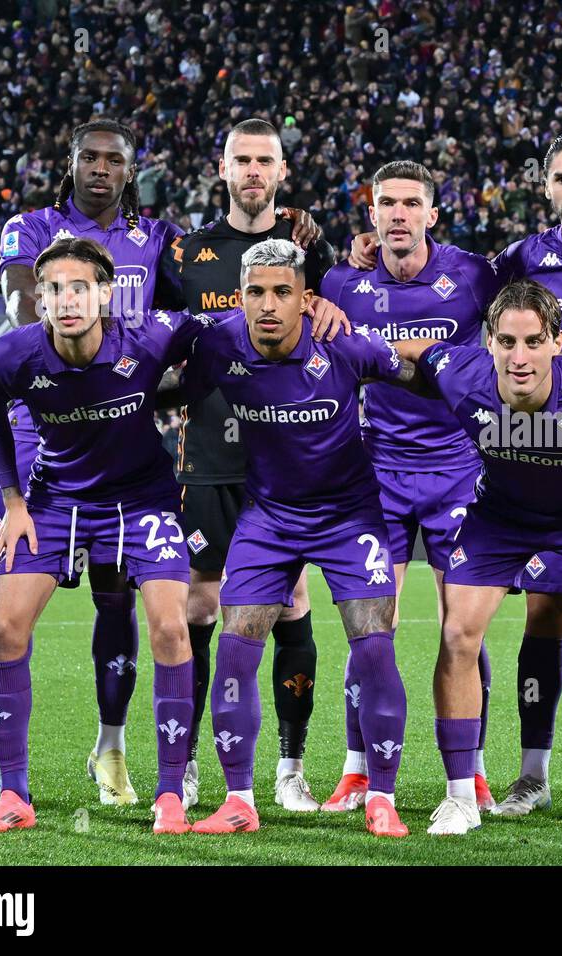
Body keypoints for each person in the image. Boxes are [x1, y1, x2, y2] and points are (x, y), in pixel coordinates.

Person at [351, 131, 562, 819]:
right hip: (535, 445)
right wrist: (375, 260)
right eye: (561, 179)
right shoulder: (516, 261)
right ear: (545, 187)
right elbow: (446, 315)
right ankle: (532, 773)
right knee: (546, 612)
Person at [392, 280, 562, 839]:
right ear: (488, 342)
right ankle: (459, 795)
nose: (520, 358)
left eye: (534, 341)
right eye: (507, 341)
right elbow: (406, 349)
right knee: (457, 635)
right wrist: (328, 330)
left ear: (557, 342)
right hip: (500, 520)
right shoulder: (461, 372)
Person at [171, 239, 413, 837]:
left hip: (349, 515)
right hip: (269, 516)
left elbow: (417, 373)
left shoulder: (342, 343)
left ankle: (382, 795)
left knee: (374, 646)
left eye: (283, 292)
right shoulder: (221, 343)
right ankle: (238, 799)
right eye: (256, 292)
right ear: (242, 297)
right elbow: (174, 391)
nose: (269, 305)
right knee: (234, 647)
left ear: (306, 299)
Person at [0, 237, 201, 835]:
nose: (67, 299)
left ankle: (170, 794)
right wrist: (15, 502)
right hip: (55, 499)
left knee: (172, 626)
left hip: (142, 498)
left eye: (80, 287)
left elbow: (217, 327)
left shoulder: (147, 337)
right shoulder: (14, 355)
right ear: (39, 298)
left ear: (106, 292)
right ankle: (13, 794)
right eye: (54, 289)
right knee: (3, 625)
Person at [0, 118, 183, 809]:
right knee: (10, 604)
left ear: (130, 171)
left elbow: (215, 287)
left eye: (114, 160)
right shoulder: (32, 226)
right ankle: (6, 769)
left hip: (119, 437)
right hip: (34, 435)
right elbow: (20, 306)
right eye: (89, 157)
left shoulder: (157, 239)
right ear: (70, 162)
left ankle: (111, 747)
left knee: (117, 595)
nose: (100, 168)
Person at [157, 117, 336, 812]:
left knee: (290, 602)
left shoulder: (307, 253)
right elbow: (162, 345)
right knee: (200, 607)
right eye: (243, 160)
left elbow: (335, 329)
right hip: (207, 462)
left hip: (285, 464)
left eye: (265, 160)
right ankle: (194, 760)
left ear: (283, 171)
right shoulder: (187, 255)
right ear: (222, 169)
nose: (254, 171)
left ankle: (290, 768)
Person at [320, 160, 499, 812]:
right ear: (371, 215)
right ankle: (357, 769)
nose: (398, 214)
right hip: (378, 477)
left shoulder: (475, 274)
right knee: (370, 627)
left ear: (431, 213)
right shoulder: (341, 284)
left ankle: (473, 771)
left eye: (410, 204)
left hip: (459, 471)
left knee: (463, 630)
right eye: (386, 203)